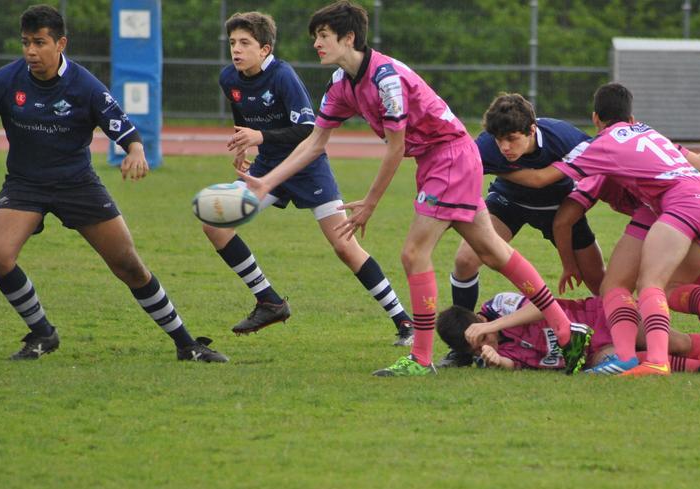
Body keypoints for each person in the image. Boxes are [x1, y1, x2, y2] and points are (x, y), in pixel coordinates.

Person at [238, 1, 578, 376]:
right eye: (315, 37)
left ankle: (420, 358)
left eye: (323, 35)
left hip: (449, 157)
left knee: (414, 254)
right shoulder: (340, 84)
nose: (316, 44)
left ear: (348, 38)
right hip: (442, 159)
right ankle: (565, 330)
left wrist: (370, 202)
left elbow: (396, 147)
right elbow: (315, 142)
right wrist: (267, 181)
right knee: (493, 252)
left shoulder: (385, 79)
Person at [0, 5, 226, 362]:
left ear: (60, 43)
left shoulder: (85, 86)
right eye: (26, 42)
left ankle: (187, 344)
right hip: (24, 184)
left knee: (129, 266)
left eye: (40, 42)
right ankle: (43, 333)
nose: (31, 51)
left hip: (77, 185)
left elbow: (124, 129)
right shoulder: (3, 82)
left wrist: (136, 151)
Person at [206, 11, 413, 345]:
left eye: (245, 43)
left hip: (307, 167)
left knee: (344, 246)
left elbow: (307, 130)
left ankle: (403, 321)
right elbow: (241, 114)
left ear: (265, 49)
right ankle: (269, 301)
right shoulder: (229, 77)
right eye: (232, 43)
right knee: (215, 224)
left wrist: (260, 136)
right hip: (268, 168)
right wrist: (243, 143)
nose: (236, 50)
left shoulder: (283, 76)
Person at [550, 83, 700, 376]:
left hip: (678, 205)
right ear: (632, 118)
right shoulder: (652, 135)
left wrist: (510, 170)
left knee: (649, 285)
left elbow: (562, 214)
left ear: (595, 119)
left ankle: (655, 360)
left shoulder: (605, 150)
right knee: (648, 286)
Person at [439, 93, 607, 369]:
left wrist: (577, 204)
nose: (505, 147)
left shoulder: (564, 137)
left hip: (559, 209)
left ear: (532, 129)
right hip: (509, 203)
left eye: (512, 139)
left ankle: (626, 331)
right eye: (499, 140)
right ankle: (465, 345)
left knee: (599, 281)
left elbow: (602, 164)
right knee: (465, 260)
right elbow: (454, 178)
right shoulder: (485, 146)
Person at [436, 292, 700, 373]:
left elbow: (542, 306)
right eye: (475, 349)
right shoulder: (492, 354)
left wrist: (492, 326)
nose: (486, 344)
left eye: (482, 339)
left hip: (599, 317)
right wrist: (499, 362)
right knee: (625, 362)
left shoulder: (498, 306)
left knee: (677, 342)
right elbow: (519, 365)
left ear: (478, 319)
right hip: (589, 354)